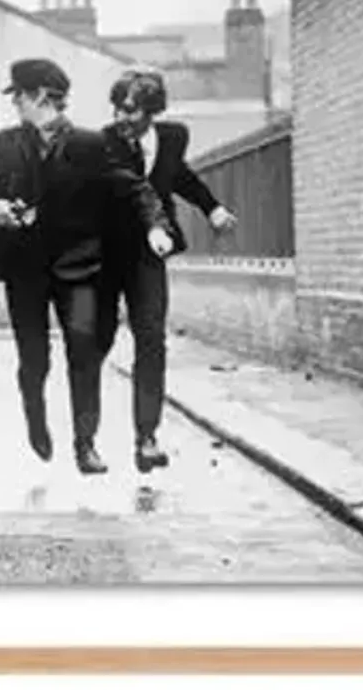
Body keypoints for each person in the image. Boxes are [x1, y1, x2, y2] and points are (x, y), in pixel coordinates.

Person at [0, 58, 172, 475]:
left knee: (84, 353)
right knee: (34, 359)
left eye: (20, 96)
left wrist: (156, 225)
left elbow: (135, 187)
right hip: (24, 271)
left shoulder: (89, 144)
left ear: (42, 97)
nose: (16, 105)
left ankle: (85, 444)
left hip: (78, 273)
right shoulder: (7, 142)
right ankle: (35, 413)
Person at [98, 67, 237, 473]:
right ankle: (85, 433)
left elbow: (180, 177)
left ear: (151, 111)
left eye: (130, 110)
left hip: (147, 258)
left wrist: (211, 207)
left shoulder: (173, 137)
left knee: (151, 340)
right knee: (94, 341)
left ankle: (146, 437)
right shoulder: (104, 143)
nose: (121, 118)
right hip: (107, 253)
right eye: (117, 109)